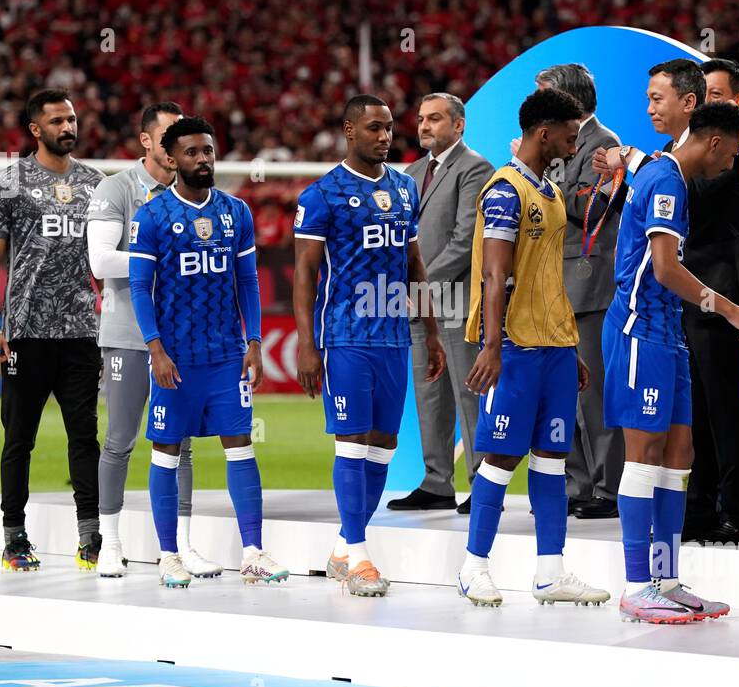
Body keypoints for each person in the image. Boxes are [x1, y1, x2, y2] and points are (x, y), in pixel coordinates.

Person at [593, 102, 739, 623]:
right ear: (714, 143)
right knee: (644, 456)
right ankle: (636, 584)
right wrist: (729, 308)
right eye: (733, 153)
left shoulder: (670, 175)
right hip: (640, 329)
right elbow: (664, 269)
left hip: (668, 333)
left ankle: (665, 579)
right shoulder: (667, 180)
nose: (733, 163)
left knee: (679, 453)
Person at [454, 87, 609, 608]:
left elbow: (549, 276)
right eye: (570, 131)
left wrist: (570, 344)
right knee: (499, 459)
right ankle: (473, 567)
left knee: (552, 459)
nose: (576, 139)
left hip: (555, 348)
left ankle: (550, 572)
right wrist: (492, 346)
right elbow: (496, 275)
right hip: (515, 349)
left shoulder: (550, 189)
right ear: (545, 132)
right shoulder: (504, 190)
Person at [293, 94, 446, 598]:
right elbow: (305, 274)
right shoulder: (323, 194)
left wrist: (431, 329)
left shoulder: (404, 188)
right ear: (349, 130)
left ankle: (343, 548)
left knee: (383, 447)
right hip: (345, 336)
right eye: (375, 128)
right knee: (352, 442)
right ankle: (359, 554)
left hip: (393, 336)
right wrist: (307, 345)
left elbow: (414, 264)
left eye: (389, 129)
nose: (384, 137)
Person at [129, 116, 287, 587]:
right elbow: (140, 287)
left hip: (225, 356)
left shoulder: (235, 211)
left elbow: (247, 282)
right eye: (193, 153)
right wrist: (154, 348)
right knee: (167, 451)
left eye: (209, 151)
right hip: (175, 357)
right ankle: (169, 554)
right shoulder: (152, 217)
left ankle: (253, 552)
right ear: (171, 159)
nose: (203, 160)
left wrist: (254, 341)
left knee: (240, 447)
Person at [0, 89, 104, 572]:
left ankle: (91, 536)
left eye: (71, 118)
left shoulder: (96, 183)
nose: (68, 127)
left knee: (84, 436)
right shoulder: (8, 182)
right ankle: (14, 536)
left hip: (81, 332)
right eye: (57, 121)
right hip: (25, 333)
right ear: (36, 129)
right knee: (19, 438)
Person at [86, 102, 203, 578]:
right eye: (170, 133)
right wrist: (162, 258)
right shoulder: (117, 187)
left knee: (183, 443)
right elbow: (101, 261)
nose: (180, 142)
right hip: (129, 334)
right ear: (149, 142)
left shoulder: (192, 192)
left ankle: (179, 547)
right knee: (119, 440)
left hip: (181, 336)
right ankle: (109, 543)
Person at [388, 92, 490, 515]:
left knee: (469, 396)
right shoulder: (411, 171)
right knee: (429, 395)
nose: (425, 126)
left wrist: (420, 284)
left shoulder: (476, 168)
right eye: (421, 118)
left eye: (435, 119)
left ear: (459, 125)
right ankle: (436, 482)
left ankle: (484, 483)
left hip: (455, 301)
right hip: (421, 303)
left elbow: (466, 240)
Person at [535, 64, 626, 520]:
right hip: (556, 280)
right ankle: (578, 485)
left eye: (546, 94)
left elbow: (592, 210)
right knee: (563, 392)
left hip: (588, 280)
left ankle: (608, 490)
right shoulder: (557, 142)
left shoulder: (603, 143)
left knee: (594, 392)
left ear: (568, 99)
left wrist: (540, 183)